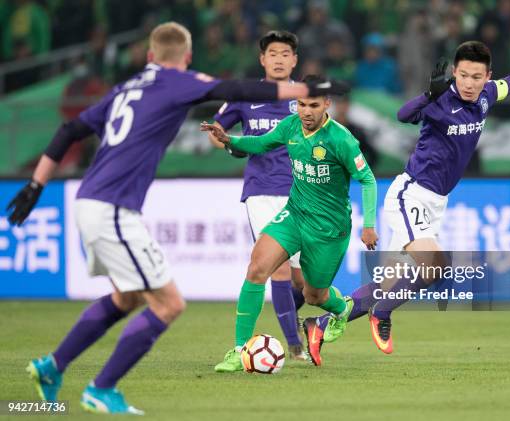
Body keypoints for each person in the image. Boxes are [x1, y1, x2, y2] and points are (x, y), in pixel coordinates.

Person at [5, 22, 347, 414]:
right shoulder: (176, 82)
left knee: (127, 297)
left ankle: (52, 367)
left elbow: (69, 130)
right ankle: (101, 387)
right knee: (169, 304)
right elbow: (234, 91)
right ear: (185, 59)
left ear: (151, 56)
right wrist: (307, 90)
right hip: (112, 207)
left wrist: (35, 185)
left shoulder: (126, 88)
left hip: (91, 201)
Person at [304, 15, 510, 357]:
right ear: (454, 73)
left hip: (435, 203)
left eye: (477, 76)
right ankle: (381, 314)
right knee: (435, 265)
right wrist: (430, 94)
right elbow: (403, 115)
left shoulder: (487, 96)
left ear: (487, 76)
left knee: (390, 283)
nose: (470, 83)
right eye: (463, 75)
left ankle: (318, 328)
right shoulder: (441, 99)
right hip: (409, 194)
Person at [200, 75, 378, 368]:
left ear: (326, 104)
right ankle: (239, 350)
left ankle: (342, 308)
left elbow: (367, 179)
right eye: (302, 104)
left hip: (328, 230)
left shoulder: (341, 139)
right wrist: (229, 139)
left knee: (313, 293)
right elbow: (261, 144)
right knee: (257, 268)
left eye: (313, 105)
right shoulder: (290, 126)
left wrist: (369, 224)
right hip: (294, 214)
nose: (306, 111)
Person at [207, 30, 308, 361]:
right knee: (275, 268)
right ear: (262, 59)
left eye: (285, 54)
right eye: (272, 53)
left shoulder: (306, 97)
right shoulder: (244, 95)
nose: (279, 59)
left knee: (306, 283)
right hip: (262, 190)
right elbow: (217, 134)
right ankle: (293, 347)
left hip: (303, 192)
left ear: (294, 60)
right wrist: (230, 145)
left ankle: (299, 323)